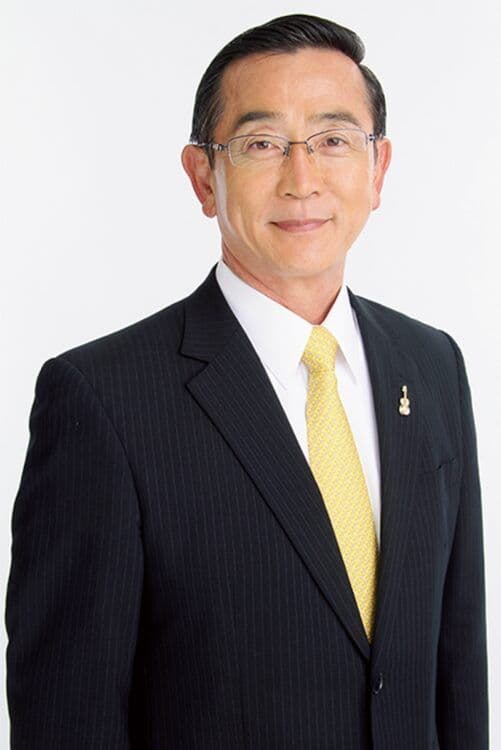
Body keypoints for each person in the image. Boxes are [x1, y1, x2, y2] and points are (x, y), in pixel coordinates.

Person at [5, 13, 488, 749]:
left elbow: (458, 669)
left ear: (378, 168)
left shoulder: (432, 365)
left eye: (333, 140)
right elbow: (67, 720)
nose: (303, 179)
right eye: (261, 144)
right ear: (204, 176)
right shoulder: (103, 400)